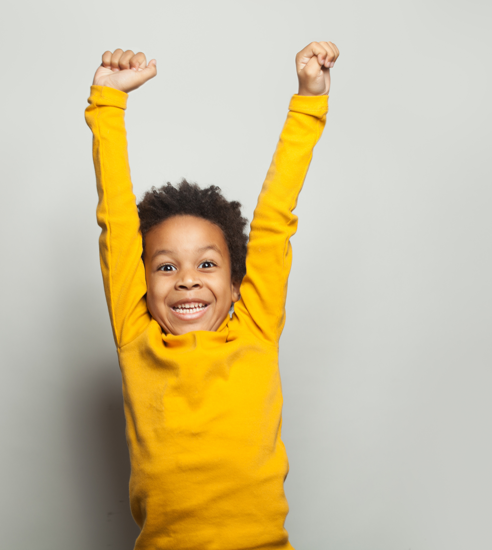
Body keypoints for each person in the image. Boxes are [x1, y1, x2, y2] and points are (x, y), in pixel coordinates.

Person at [85, 40, 339, 550]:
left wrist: (308, 103)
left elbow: (273, 221)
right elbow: (116, 221)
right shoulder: (138, 339)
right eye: (165, 266)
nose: (186, 279)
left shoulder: (256, 328)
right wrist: (108, 104)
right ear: (142, 280)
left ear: (236, 283)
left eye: (206, 264)